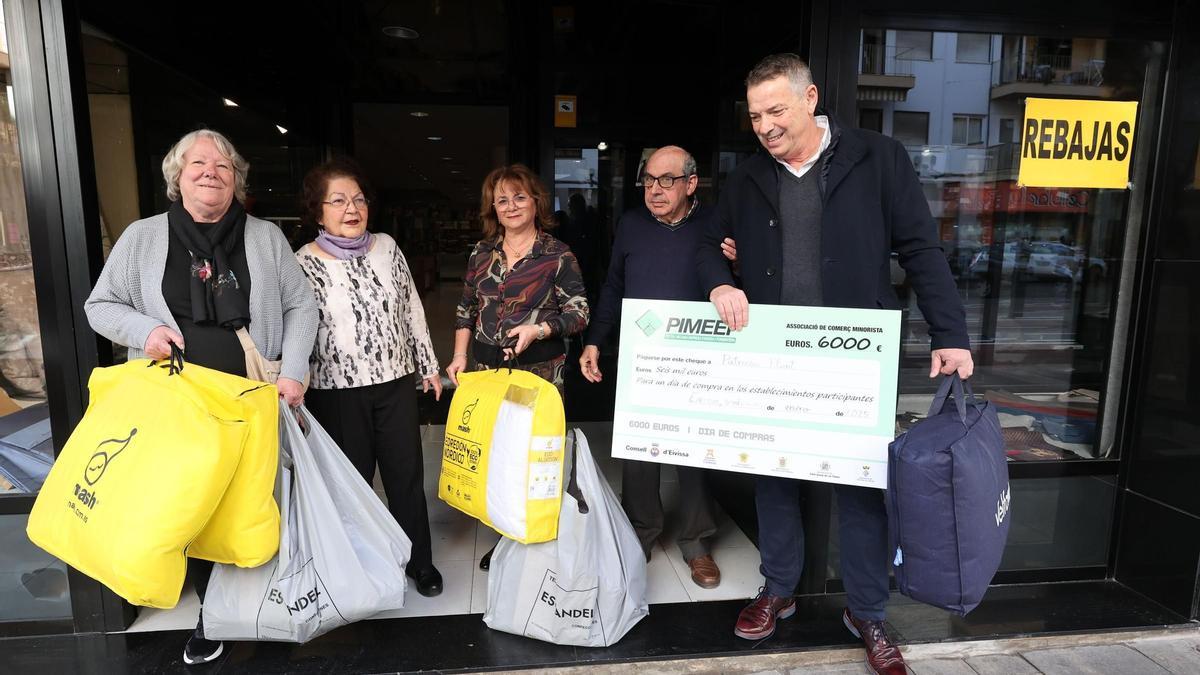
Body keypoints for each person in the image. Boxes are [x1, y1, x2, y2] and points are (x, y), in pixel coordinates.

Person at [696, 54, 973, 674]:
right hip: (773, 354)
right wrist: (720, 283)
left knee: (860, 485)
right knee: (773, 475)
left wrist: (949, 333)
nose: (765, 126)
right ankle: (779, 589)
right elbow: (706, 245)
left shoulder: (878, 157)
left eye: (776, 110)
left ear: (811, 97)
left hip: (854, 353)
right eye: (755, 115)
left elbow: (921, 249)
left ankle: (869, 612)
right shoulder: (745, 178)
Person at [84, 129, 318, 666]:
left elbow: (300, 308)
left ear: (237, 180)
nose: (212, 171)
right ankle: (210, 615)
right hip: (175, 400)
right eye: (199, 163)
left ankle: (253, 604)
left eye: (224, 165)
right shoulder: (143, 237)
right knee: (187, 501)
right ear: (177, 175)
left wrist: (297, 372)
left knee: (252, 501)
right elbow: (101, 305)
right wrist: (145, 331)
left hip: (250, 393)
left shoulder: (263, 237)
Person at [294, 159, 445, 599]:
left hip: (395, 383)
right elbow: (298, 326)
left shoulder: (387, 247)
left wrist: (428, 364)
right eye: (338, 200)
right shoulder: (302, 263)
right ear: (318, 212)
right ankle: (359, 567)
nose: (351, 208)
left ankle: (420, 562)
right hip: (335, 393)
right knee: (352, 484)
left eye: (358, 199)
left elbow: (411, 307)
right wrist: (294, 381)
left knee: (405, 478)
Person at [579, 145, 723, 589]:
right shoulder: (632, 225)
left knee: (695, 450)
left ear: (690, 183)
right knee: (639, 449)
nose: (655, 190)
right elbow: (614, 287)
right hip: (644, 357)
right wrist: (594, 342)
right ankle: (639, 531)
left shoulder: (714, 224)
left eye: (666, 180)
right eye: (648, 180)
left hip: (698, 358)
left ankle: (696, 541)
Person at [446, 163, 589, 571]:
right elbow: (465, 310)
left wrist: (539, 328)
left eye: (519, 197)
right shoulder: (481, 252)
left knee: (537, 456)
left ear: (536, 202)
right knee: (498, 455)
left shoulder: (558, 255)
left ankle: (543, 532)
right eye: (502, 199)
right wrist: (459, 357)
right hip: (487, 373)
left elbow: (579, 314)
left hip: (540, 374)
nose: (511, 206)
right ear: (493, 206)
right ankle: (507, 536)